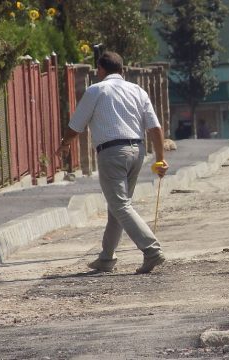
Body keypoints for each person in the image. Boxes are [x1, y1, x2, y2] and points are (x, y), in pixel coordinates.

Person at [56, 51, 168, 274]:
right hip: (138, 151)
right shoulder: (137, 90)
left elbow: (76, 125)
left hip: (112, 153)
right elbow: (155, 128)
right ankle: (107, 257)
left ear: (100, 70)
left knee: (120, 205)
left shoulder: (96, 90)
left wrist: (64, 144)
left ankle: (151, 249)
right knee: (117, 206)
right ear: (122, 70)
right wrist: (160, 160)